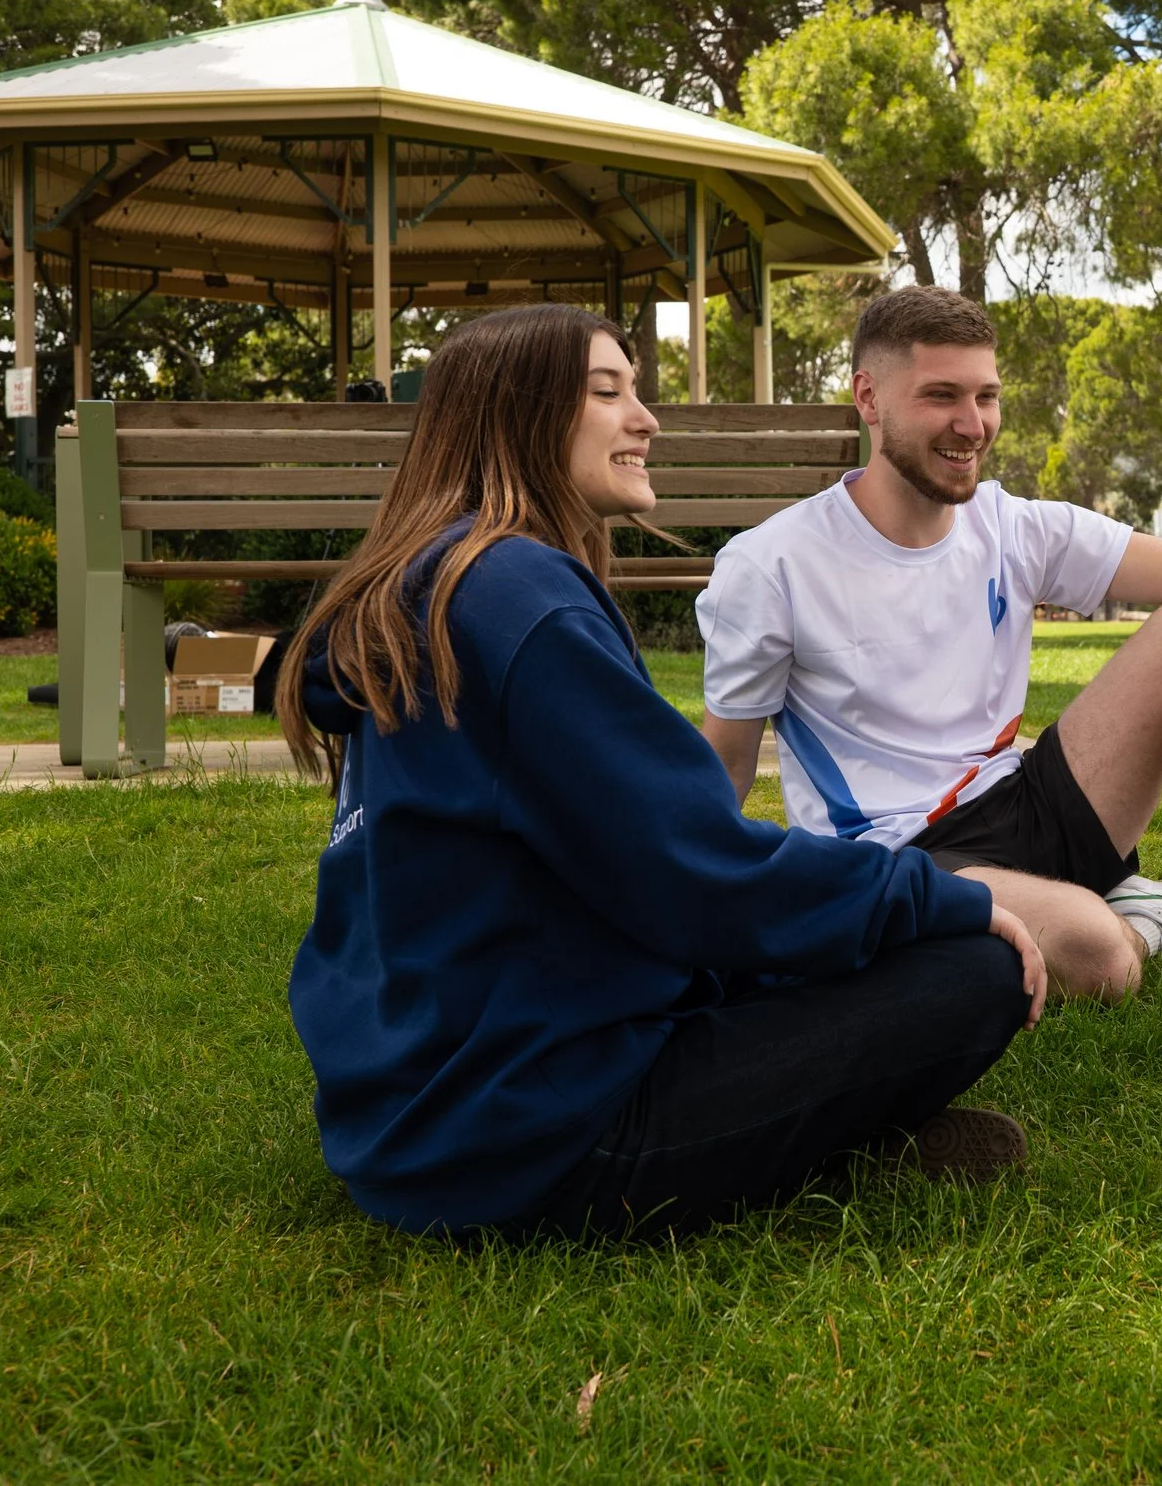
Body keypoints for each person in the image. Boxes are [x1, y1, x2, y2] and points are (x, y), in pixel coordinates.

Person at [278, 304, 1048, 1239]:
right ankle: (825, 1138)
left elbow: (638, 876)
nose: (645, 418)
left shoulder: (424, 582)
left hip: (418, 1107)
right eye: (608, 393)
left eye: (636, 390)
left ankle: (823, 1126)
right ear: (516, 415)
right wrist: (937, 900)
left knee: (831, 953)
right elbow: (699, 871)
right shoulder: (518, 598)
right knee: (973, 972)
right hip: (533, 1138)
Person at [695, 286, 1162, 999]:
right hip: (899, 856)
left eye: (987, 396)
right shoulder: (772, 565)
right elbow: (723, 773)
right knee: (1100, 956)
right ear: (869, 396)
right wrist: (698, 919)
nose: (971, 424)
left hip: (1025, 797)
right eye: (942, 395)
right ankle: (1148, 918)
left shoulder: (1011, 525)